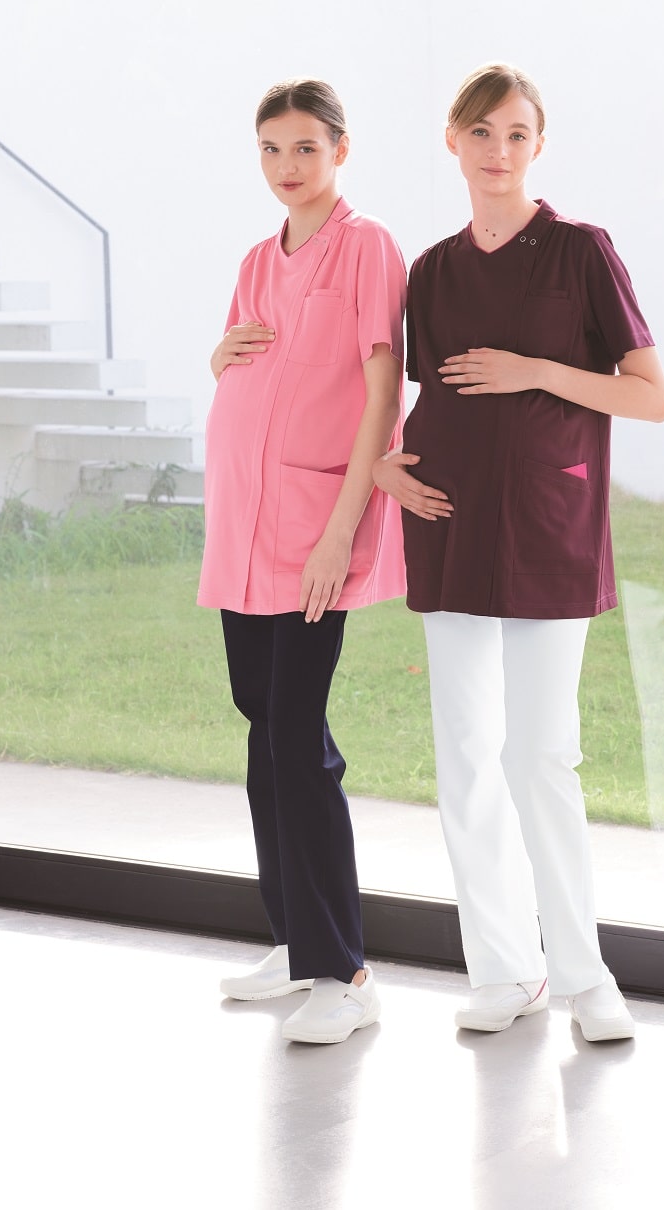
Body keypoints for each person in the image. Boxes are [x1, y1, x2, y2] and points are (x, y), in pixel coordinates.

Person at [374, 63, 664, 1041]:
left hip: (547, 527)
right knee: (465, 757)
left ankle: (585, 979)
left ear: (538, 144)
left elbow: (649, 395)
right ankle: (504, 971)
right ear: (452, 142)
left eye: (515, 134)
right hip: (448, 521)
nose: (497, 151)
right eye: (480, 133)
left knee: (540, 755)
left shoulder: (581, 250)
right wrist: (385, 469)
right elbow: (427, 395)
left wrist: (535, 370)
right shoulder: (431, 270)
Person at [199, 78, 407, 1045]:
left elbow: (381, 390)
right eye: (271, 149)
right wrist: (217, 361)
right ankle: (293, 942)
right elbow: (253, 363)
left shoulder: (367, 247)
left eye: (306, 149)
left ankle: (346, 970)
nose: (288, 167)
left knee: (296, 737)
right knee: (262, 729)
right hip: (243, 527)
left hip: (312, 530)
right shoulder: (255, 258)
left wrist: (339, 528)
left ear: (340, 151)